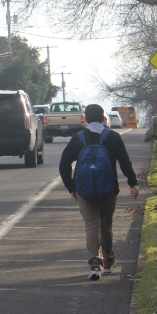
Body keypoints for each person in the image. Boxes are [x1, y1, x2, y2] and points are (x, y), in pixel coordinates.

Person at [59, 104, 139, 281]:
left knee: (91, 225)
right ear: (104, 118)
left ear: (86, 119)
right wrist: (133, 183)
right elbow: (125, 162)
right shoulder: (113, 137)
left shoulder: (78, 138)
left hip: (84, 190)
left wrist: (72, 187)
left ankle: (95, 264)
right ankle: (109, 262)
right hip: (108, 188)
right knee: (105, 223)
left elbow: (63, 165)